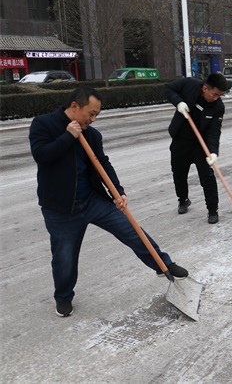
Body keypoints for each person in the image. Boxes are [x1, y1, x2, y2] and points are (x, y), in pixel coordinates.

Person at [29, 87, 188, 318]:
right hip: (61, 209)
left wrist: (118, 192)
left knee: (132, 230)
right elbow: (41, 155)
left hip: (93, 201)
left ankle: (163, 265)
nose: (93, 120)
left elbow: (103, 164)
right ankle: (63, 297)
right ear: (75, 106)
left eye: (96, 115)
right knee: (64, 256)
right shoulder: (44, 124)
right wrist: (68, 136)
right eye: (90, 114)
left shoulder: (92, 135)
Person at [165, 73, 230, 224]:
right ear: (205, 88)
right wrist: (179, 102)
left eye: (219, 96)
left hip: (201, 145)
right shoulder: (189, 85)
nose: (216, 98)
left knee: (207, 177)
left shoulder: (218, 106)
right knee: (178, 173)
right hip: (181, 140)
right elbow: (168, 89)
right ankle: (183, 200)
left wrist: (213, 152)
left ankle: (213, 210)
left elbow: (215, 131)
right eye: (214, 94)